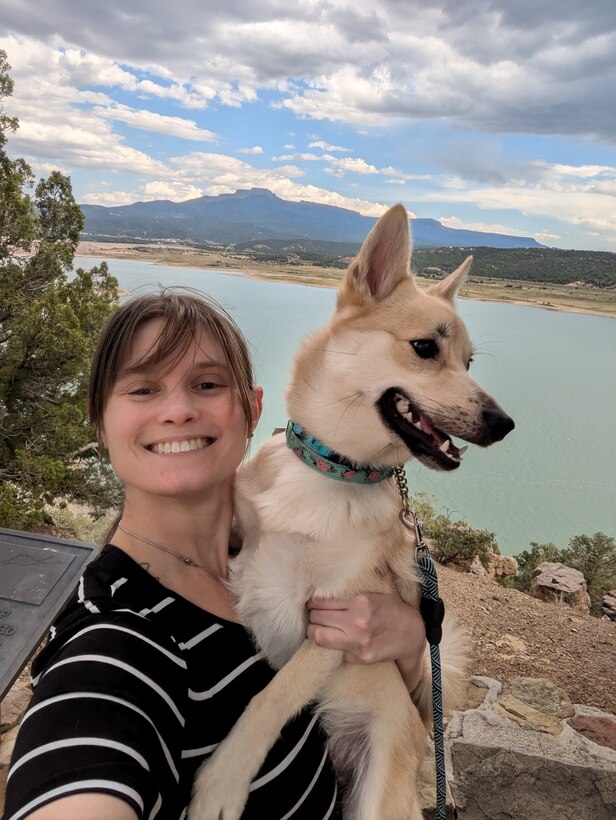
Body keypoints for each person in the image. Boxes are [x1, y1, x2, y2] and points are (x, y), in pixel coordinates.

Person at [3, 290, 427, 820]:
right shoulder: (120, 637)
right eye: (142, 388)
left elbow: (392, 705)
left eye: (206, 384)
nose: (178, 410)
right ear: (100, 423)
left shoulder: (279, 547)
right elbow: (87, 745)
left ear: (252, 410)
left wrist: (410, 644)